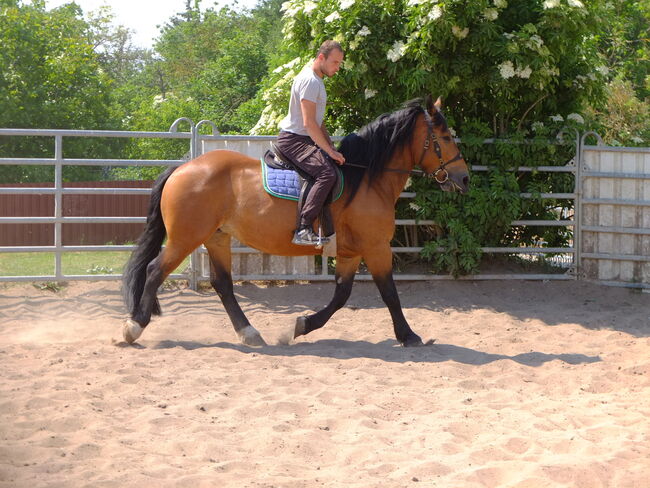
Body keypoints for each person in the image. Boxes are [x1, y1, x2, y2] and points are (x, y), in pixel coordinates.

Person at [276, 40, 346, 246]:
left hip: (304, 137)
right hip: (294, 140)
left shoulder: (316, 79)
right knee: (327, 173)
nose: (337, 67)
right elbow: (308, 123)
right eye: (335, 62)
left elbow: (318, 119)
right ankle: (304, 228)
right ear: (321, 58)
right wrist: (330, 152)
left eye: (340, 63)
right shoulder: (310, 81)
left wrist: (330, 145)